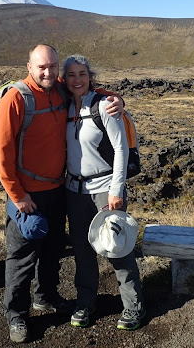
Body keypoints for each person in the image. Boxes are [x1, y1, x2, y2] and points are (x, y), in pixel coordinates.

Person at [0, 44, 122, 343]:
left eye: (52, 67)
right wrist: (18, 196)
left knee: (52, 251)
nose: (48, 72)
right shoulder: (16, 99)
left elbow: (85, 87)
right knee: (22, 258)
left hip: (57, 190)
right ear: (29, 67)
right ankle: (16, 315)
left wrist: (116, 99)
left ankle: (45, 297)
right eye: (41, 67)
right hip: (26, 195)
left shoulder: (59, 89)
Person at [62, 54, 145, 331]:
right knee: (82, 251)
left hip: (105, 190)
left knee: (117, 248)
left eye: (82, 74)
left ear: (90, 77)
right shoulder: (62, 107)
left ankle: (133, 306)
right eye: (71, 74)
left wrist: (116, 189)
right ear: (64, 79)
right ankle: (85, 302)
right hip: (75, 191)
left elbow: (121, 149)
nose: (77, 80)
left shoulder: (105, 106)